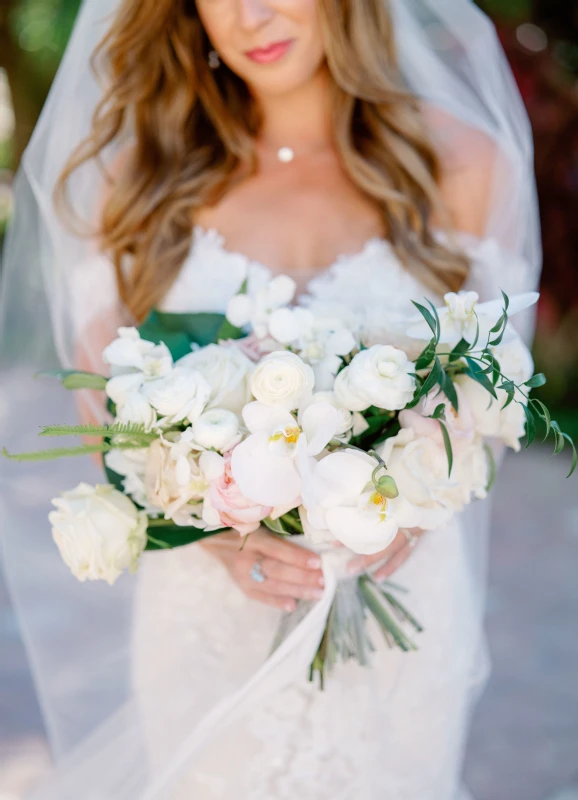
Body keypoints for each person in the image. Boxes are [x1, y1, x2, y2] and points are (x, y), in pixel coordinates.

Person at [0, 1, 541, 798]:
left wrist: (420, 494)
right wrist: (202, 530)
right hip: (207, 608)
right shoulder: (139, 178)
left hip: (396, 595)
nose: (253, 16)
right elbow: (104, 410)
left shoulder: (460, 163)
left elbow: (493, 387)